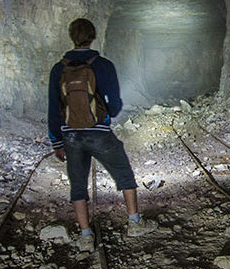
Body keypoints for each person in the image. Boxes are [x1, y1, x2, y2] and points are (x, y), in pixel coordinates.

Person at [48, 18, 157, 252]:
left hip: (71, 137)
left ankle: (86, 235)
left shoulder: (59, 68)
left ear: (71, 36)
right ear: (93, 36)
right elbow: (115, 103)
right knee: (124, 175)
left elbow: (53, 107)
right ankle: (134, 222)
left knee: (77, 185)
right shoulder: (103, 65)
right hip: (99, 133)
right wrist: (105, 117)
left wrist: (57, 141)